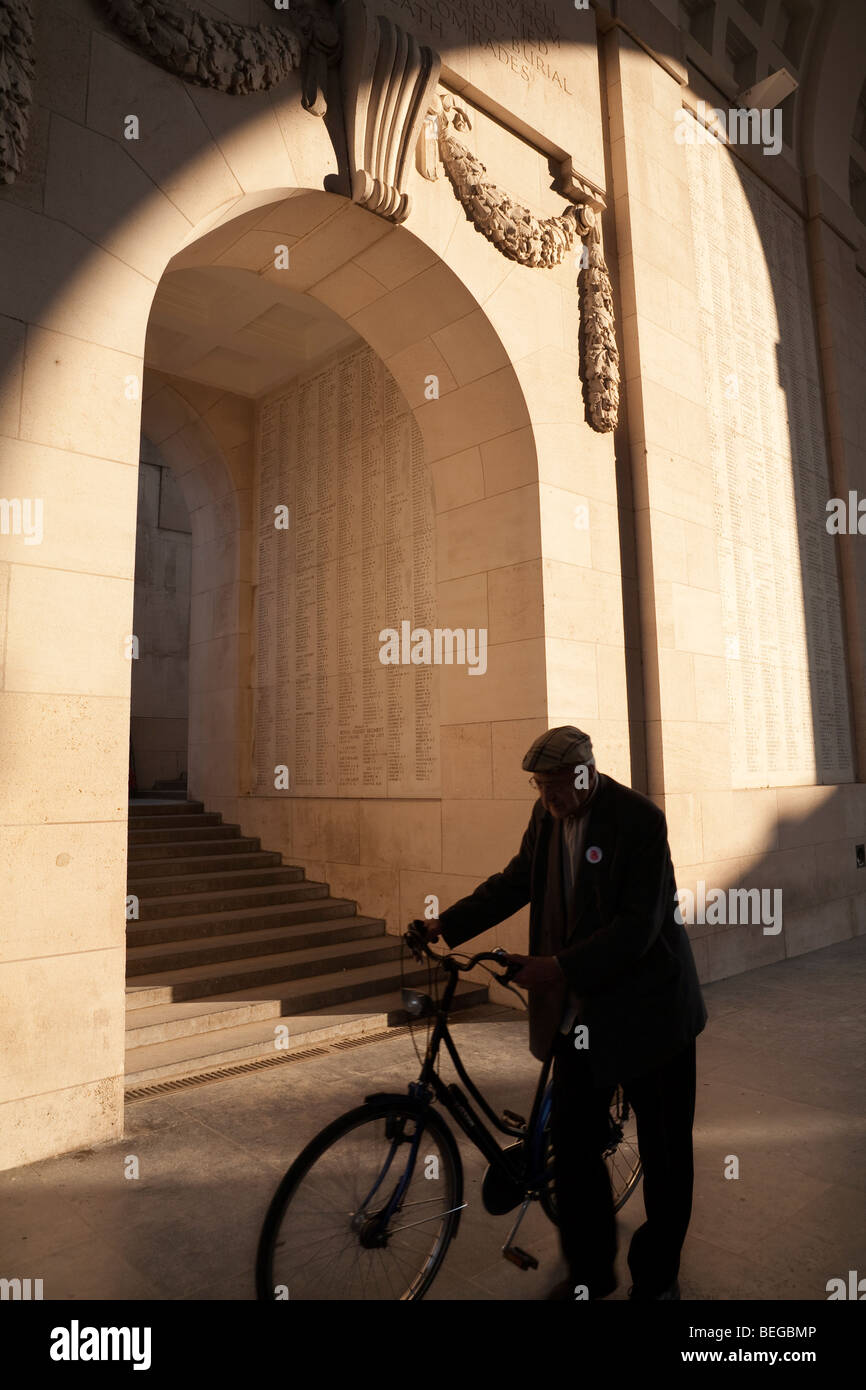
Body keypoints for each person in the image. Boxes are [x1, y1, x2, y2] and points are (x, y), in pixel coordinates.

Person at [415, 726, 707, 1300]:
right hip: (585, 1016)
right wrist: (445, 924)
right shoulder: (547, 816)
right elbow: (516, 881)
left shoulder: (638, 821)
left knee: (665, 1153)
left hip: (653, 1015)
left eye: (555, 784)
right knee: (572, 1150)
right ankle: (591, 1273)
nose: (546, 795)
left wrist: (558, 967)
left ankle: (656, 1276)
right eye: (538, 785)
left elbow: (637, 929)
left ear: (586, 772)